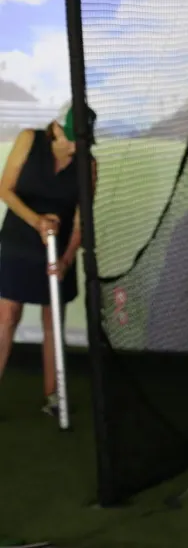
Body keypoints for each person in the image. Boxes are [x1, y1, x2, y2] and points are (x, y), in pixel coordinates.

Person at [0, 104, 98, 416]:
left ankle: (55, 397)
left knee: (52, 322)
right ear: (55, 128)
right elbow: (6, 190)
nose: (74, 145)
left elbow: (83, 219)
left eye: (80, 139)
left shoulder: (88, 164)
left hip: (60, 248)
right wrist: (37, 221)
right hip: (19, 241)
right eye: (70, 137)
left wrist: (67, 258)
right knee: (6, 317)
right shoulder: (29, 139)